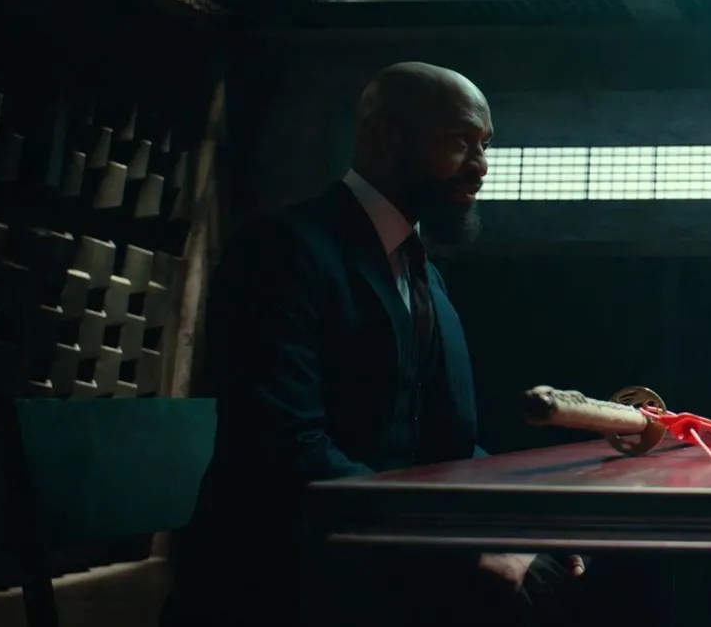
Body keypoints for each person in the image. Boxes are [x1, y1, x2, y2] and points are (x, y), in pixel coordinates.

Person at [162, 63, 588, 627]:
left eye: (484, 145)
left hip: (383, 550)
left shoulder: (422, 273)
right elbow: (286, 447)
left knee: (561, 576)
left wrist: (524, 521)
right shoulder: (282, 251)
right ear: (384, 138)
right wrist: (459, 549)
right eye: (460, 141)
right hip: (285, 570)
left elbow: (446, 444)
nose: (481, 166)